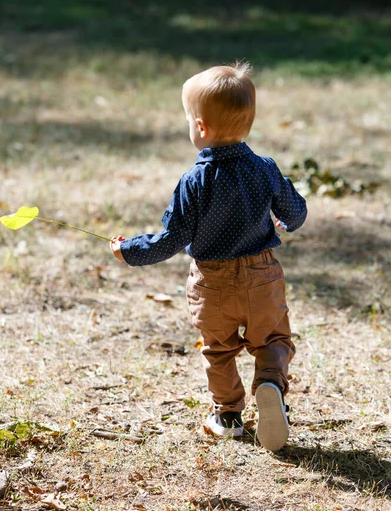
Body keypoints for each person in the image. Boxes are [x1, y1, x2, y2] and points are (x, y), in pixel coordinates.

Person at [110, 62, 307, 451]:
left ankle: (227, 415)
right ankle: (269, 382)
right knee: (272, 339)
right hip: (261, 276)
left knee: (219, 350)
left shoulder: (193, 180)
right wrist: (282, 220)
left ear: (200, 127)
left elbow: (172, 238)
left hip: (211, 281)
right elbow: (295, 213)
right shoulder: (264, 169)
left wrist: (128, 250)